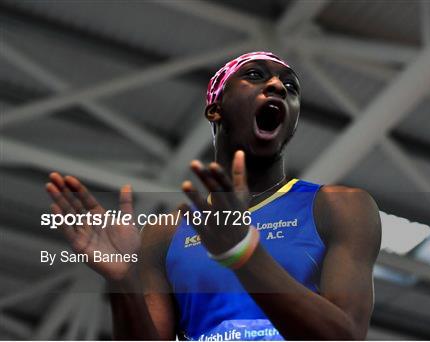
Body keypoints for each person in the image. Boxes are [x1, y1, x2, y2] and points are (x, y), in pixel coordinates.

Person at [45, 51, 381, 340]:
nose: (278, 86)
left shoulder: (340, 207)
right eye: (255, 76)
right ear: (215, 108)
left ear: (291, 124)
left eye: (290, 87)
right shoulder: (165, 233)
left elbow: (345, 334)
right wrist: (124, 283)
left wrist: (244, 255)